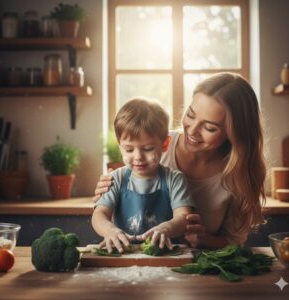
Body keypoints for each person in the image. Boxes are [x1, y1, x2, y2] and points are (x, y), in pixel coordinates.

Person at [93, 72, 266, 249]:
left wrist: (206, 240)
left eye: (209, 127)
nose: (193, 131)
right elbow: (124, 184)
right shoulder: (154, 144)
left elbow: (235, 240)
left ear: (234, 134)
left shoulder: (237, 176)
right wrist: (107, 186)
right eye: (191, 115)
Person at [92, 98, 195, 253]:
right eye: (128, 150)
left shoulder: (175, 179)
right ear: (120, 146)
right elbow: (99, 215)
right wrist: (109, 230)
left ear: (165, 144)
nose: (138, 156)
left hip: (164, 254)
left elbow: (183, 218)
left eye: (147, 148)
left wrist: (166, 228)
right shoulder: (116, 179)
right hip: (122, 253)